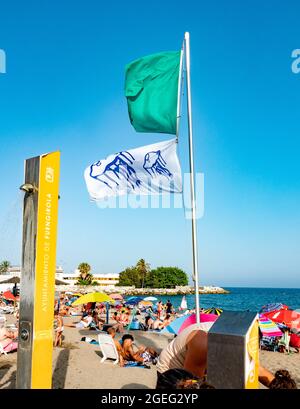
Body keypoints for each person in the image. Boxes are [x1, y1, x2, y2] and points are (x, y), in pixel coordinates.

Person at [156, 323, 297, 389]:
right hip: (171, 377)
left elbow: (259, 371)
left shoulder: (239, 343)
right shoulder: (202, 342)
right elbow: (192, 385)